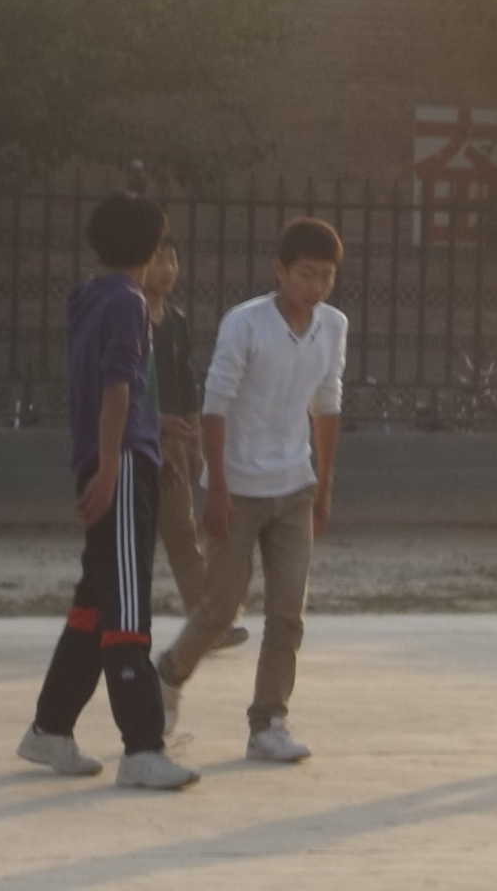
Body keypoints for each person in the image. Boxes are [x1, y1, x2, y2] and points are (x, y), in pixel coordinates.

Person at [19, 191, 199, 790]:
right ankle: (143, 747)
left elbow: (115, 390)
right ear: (151, 246)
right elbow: (117, 390)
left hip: (119, 454)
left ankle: (50, 729)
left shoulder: (90, 297)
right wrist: (110, 467)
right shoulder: (128, 302)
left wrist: (151, 429)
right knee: (126, 609)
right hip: (119, 466)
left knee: (95, 605)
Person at [154, 217, 348, 764]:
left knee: (288, 613)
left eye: (326, 276)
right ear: (280, 272)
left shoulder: (333, 326)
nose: (316, 287)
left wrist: (324, 488)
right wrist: (216, 488)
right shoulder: (245, 324)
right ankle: (167, 676)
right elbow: (215, 406)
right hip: (238, 489)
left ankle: (268, 721)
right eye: (306, 274)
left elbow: (327, 405)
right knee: (220, 607)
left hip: (295, 487)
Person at [145, 238, 248, 650]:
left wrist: (194, 438)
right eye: (158, 260)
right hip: (134, 441)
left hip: (173, 443)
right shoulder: (129, 318)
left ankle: (210, 622)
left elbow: (186, 382)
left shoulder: (175, 321)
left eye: (172, 259)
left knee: (183, 535)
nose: (168, 269)